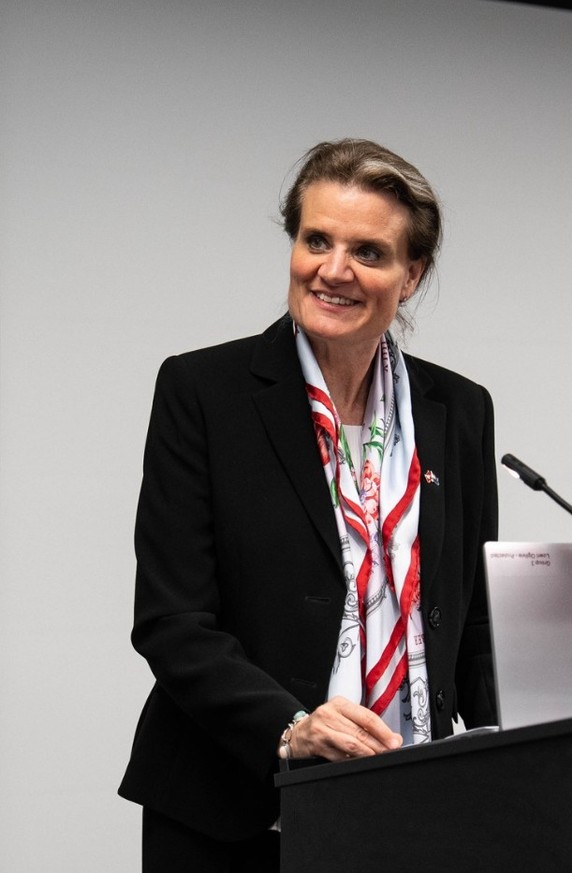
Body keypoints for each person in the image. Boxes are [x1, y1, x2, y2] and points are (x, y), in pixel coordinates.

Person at [119, 138, 499, 871]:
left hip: (412, 798)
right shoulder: (205, 393)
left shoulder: (459, 409)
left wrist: (509, 755)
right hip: (236, 810)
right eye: (315, 239)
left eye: (368, 251)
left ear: (411, 274)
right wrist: (290, 725)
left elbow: (472, 613)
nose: (334, 270)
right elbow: (171, 622)